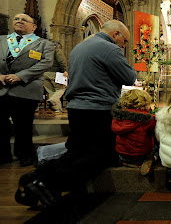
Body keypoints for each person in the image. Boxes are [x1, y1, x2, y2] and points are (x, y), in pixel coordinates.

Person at [15, 20, 136, 208]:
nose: (124, 45)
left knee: (76, 151)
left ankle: (37, 177)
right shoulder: (110, 48)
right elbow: (129, 77)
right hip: (97, 109)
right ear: (116, 34)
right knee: (102, 155)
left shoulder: (80, 47)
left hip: (76, 108)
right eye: (125, 41)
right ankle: (48, 182)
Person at [0, 13, 54, 166]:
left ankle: (24, 154)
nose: (19, 21)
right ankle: (3, 155)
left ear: (34, 26)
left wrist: (20, 76)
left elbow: (46, 63)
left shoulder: (44, 44)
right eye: (16, 18)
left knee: (23, 125)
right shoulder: (1, 40)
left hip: (26, 88)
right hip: (2, 88)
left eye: (24, 20)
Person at [112, 89, 156, 175]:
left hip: (122, 154)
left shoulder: (118, 118)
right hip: (140, 155)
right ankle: (151, 158)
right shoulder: (148, 119)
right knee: (157, 144)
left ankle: (124, 162)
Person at [43, 41, 68, 113]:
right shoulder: (57, 51)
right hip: (56, 73)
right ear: (58, 46)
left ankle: (58, 109)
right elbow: (61, 61)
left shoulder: (44, 52)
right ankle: (53, 100)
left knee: (52, 92)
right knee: (61, 89)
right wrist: (64, 71)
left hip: (44, 74)